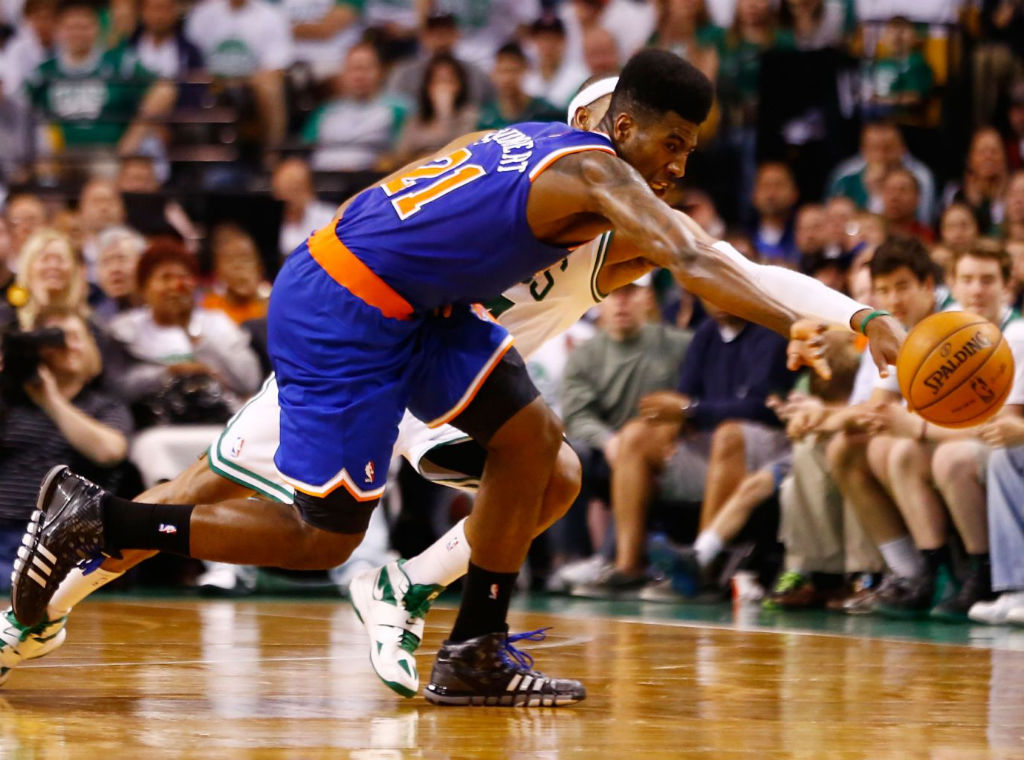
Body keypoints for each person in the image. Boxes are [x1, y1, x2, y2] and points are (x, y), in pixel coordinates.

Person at [8, 50, 903, 706]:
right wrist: (818, 323)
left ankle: (456, 629)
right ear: (607, 129)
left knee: (544, 456)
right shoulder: (593, 183)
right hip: (353, 313)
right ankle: (71, 560)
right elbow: (702, 261)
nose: (673, 174)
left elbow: (724, 258)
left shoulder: (553, 174)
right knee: (286, 521)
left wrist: (860, 319)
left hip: (425, 327)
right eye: (665, 147)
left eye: (686, 156)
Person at [0, 305, 132, 620]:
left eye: (76, 337)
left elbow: (110, 451)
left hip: (57, 546)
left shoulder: (105, 407)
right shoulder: (9, 402)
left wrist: (50, 399)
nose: (69, 346)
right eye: (58, 338)